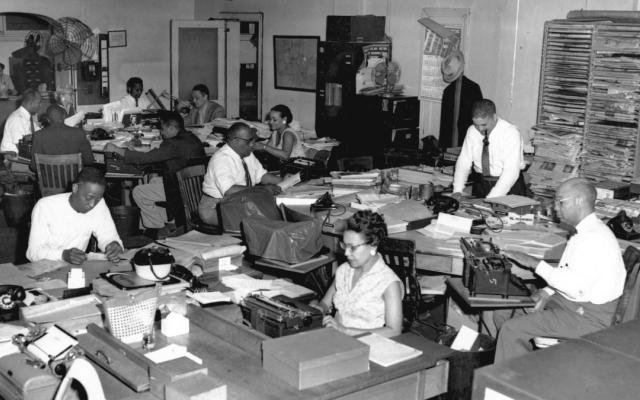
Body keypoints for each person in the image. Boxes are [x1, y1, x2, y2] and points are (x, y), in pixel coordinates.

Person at [494, 178, 626, 363]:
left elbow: (575, 288)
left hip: (590, 316)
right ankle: (524, 365)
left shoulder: (592, 239)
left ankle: (512, 383)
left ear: (579, 201)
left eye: (561, 202)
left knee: (511, 329)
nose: (555, 207)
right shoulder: (588, 231)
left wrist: (535, 263)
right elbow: (570, 271)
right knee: (502, 312)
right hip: (577, 302)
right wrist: (547, 291)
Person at [104, 111, 204, 234]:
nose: (161, 133)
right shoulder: (191, 138)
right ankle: (166, 223)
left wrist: (118, 150)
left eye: (162, 129)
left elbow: (146, 159)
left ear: (172, 128)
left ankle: (159, 229)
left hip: (181, 190)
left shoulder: (174, 144)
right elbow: (159, 158)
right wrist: (135, 152)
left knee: (138, 192)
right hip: (195, 187)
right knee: (153, 180)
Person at [311, 210, 403, 338]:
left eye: (352, 247)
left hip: (368, 345)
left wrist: (345, 330)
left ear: (373, 245)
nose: (346, 253)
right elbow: (325, 303)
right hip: (336, 338)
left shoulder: (389, 282)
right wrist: (315, 311)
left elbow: (394, 330)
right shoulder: (344, 270)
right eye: (344, 245)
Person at [26, 167, 124, 265]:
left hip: (76, 268)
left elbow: (108, 235)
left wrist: (113, 245)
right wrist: (63, 255)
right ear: (75, 188)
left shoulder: (99, 204)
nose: (92, 204)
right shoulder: (46, 206)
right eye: (89, 198)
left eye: (98, 199)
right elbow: (33, 252)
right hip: (45, 268)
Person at [199, 122, 283, 226]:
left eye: (253, 140)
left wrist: (286, 182)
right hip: (216, 207)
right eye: (249, 141)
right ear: (235, 140)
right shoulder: (222, 159)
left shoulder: (246, 153)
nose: (252, 145)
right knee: (263, 222)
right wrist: (263, 189)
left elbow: (262, 176)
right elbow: (229, 190)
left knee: (276, 213)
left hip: (239, 201)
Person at [451, 99, 526, 199]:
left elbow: (511, 172)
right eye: (476, 124)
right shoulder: (472, 131)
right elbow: (464, 161)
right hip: (482, 184)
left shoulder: (510, 133)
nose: (480, 129)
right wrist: (457, 190)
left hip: (509, 186)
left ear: (494, 117)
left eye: (484, 125)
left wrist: (492, 198)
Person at [439, 50, 483, 149]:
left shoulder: (473, 88)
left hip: (468, 140)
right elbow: (445, 122)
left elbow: (480, 117)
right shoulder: (448, 91)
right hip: (453, 142)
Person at [30, 105, 94, 172]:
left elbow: (34, 167)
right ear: (64, 116)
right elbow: (89, 161)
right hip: (75, 180)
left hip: (48, 181)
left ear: (48, 119)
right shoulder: (79, 133)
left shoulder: (38, 135)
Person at [1, 89, 41, 155]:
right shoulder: (17, 119)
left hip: (21, 155)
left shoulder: (27, 117)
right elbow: (21, 146)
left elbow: (39, 133)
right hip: (13, 159)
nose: (40, 105)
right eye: (39, 102)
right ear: (31, 103)